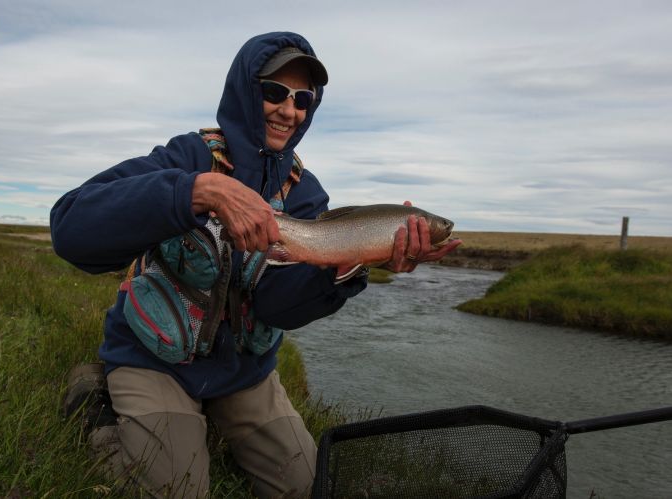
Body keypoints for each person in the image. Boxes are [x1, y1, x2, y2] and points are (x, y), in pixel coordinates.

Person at [50, 31, 460, 499]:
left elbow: (277, 307)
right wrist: (197, 191)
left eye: (303, 99)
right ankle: (95, 408)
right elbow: (69, 228)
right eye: (274, 93)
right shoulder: (190, 156)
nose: (289, 110)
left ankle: (207, 419)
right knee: (177, 491)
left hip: (245, 371)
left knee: (306, 485)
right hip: (154, 359)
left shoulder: (306, 193)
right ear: (247, 91)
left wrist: (352, 265)